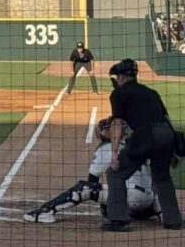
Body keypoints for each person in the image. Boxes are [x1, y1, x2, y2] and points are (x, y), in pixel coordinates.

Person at [24, 117, 158, 223]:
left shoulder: (107, 149)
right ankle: (158, 213)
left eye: (106, 128)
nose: (101, 131)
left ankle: (45, 212)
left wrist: (106, 206)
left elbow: (92, 180)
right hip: (149, 200)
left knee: (84, 187)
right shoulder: (135, 148)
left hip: (130, 197)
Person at [101, 58, 181, 231]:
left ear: (121, 77)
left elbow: (117, 122)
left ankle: (118, 220)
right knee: (162, 177)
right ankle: (173, 220)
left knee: (115, 174)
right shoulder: (152, 92)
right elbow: (166, 120)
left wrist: (115, 153)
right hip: (165, 134)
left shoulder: (119, 94)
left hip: (145, 135)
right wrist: (172, 149)